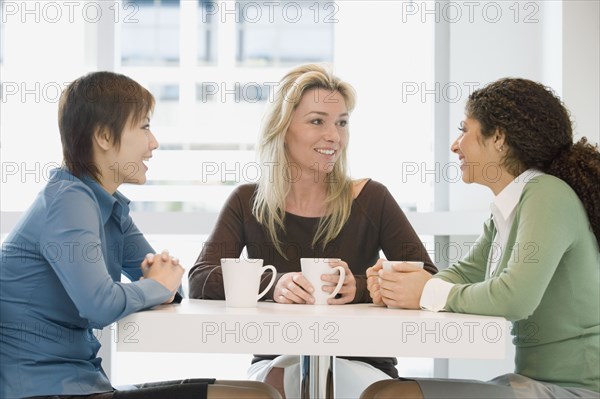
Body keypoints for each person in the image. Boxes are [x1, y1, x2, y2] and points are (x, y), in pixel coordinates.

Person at [0, 72, 280, 399]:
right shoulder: (68, 201)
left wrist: (161, 284)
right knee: (256, 397)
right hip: (45, 392)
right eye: (144, 127)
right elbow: (101, 305)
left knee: (259, 392)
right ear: (104, 136)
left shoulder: (108, 206)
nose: (154, 143)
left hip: (84, 385)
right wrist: (156, 285)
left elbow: (171, 288)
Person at [188, 63, 437, 398]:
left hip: (362, 363)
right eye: (317, 121)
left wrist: (360, 288)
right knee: (281, 380)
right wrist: (272, 285)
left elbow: (427, 278)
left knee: (330, 385)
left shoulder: (371, 198)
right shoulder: (248, 201)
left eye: (342, 123)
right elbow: (199, 279)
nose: (334, 136)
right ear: (283, 126)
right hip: (277, 361)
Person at [363, 78, 600, 399]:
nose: (455, 145)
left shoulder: (547, 194)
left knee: (390, 396)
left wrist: (426, 292)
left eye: (464, 129)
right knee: (384, 391)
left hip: (576, 390)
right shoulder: (509, 205)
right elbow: (465, 273)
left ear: (499, 137)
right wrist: (399, 289)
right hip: (533, 382)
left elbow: (515, 298)